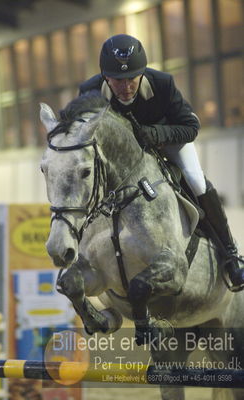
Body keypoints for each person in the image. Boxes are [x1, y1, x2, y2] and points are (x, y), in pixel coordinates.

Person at [79, 34, 244, 292]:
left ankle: (231, 254)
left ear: (142, 73)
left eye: (132, 79)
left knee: (195, 179)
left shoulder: (162, 83)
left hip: (168, 142)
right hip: (121, 157)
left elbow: (191, 126)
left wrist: (158, 134)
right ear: (105, 76)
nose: (126, 87)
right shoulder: (89, 91)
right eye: (117, 80)